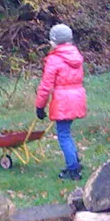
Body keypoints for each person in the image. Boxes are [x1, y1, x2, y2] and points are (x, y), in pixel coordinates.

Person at [35, 23, 87, 180]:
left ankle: (73, 170)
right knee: (67, 132)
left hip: (64, 100)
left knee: (63, 134)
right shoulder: (76, 56)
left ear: (55, 41)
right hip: (77, 98)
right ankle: (75, 161)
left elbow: (45, 86)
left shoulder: (55, 59)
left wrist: (39, 106)